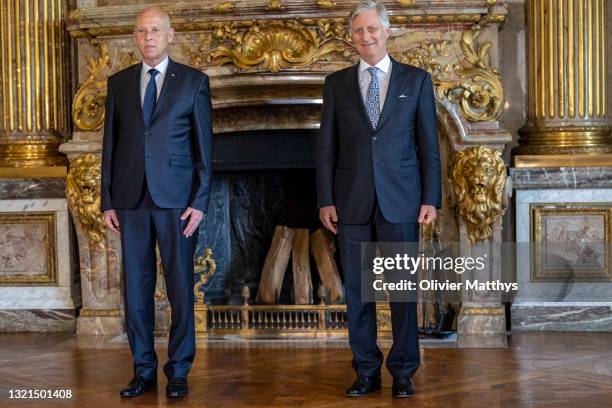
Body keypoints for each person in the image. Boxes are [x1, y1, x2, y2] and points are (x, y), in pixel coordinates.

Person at [316, 0, 441, 398]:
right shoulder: (336, 84)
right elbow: (326, 149)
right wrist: (325, 199)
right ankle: (366, 370)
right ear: (351, 38)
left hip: (402, 201)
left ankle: (403, 370)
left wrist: (430, 198)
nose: (365, 37)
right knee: (358, 292)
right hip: (350, 202)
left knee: (403, 290)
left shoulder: (416, 81)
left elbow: (429, 147)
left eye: (372, 29)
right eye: (358, 31)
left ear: (387, 31)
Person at [100, 6, 213, 399]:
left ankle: (178, 370)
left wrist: (199, 201)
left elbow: (204, 151)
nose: (148, 37)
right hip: (130, 202)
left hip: (178, 203)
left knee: (181, 288)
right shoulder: (118, 84)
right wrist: (107, 200)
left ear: (170, 35)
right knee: (136, 290)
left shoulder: (194, 83)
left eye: (155, 30)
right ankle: (143, 370)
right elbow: (109, 148)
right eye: (141, 30)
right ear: (135, 37)